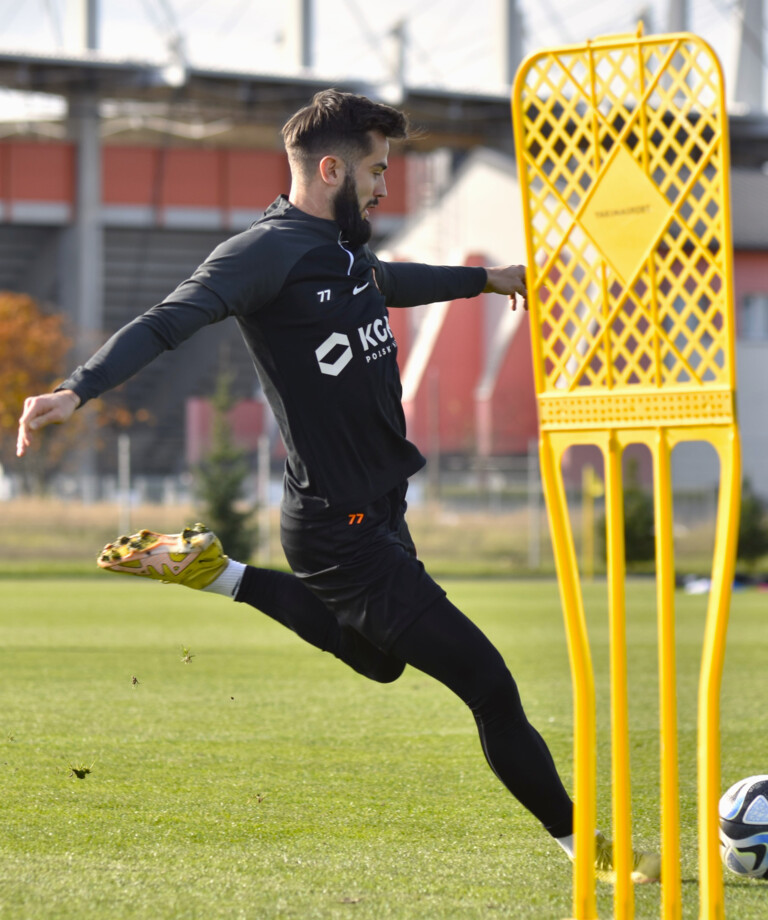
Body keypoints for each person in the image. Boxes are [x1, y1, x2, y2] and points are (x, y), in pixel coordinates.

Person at [16, 89, 659, 885]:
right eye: (377, 170)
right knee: (489, 683)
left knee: (380, 663)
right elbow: (166, 319)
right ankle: (588, 848)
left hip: (377, 508)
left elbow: (383, 281)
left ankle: (217, 574)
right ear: (330, 169)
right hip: (338, 524)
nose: (387, 185)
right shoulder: (263, 253)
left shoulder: (345, 249)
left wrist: (486, 280)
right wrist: (73, 391)